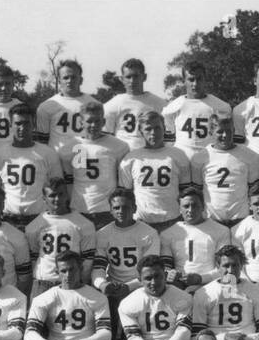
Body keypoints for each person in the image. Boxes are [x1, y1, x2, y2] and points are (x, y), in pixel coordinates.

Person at [10, 251, 111, 340]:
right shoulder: (44, 298)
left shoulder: (98, 297)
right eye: (63, 271)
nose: (68, 275)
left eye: (72, 270)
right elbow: (30, 334)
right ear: (57, 272)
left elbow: (106, 334)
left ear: (81, 269)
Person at [104, 255, 200, 340]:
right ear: (139, 279)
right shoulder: (128, 303)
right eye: (148, 278)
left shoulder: (183, 297)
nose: (153, 282)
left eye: (157, 276)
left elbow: (184, 333)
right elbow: (133, 338)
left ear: (165, 275)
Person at [91, 187, 160, 337]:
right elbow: (98, 267)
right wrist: (102, 284)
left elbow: (151, 271)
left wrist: (128, 287)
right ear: (110, 210)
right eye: (116, 208)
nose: (120, 211)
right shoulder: (103, 234)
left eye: (125, 207)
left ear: (134, 208)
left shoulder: (148, 233)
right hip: (113, 286)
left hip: (140, 286)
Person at [0, 102, 64, 230]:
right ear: (11, 125)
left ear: (33, 125)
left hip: (40, 219)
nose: (22, 128)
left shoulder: (48, 154)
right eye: (18, 123)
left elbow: (57, 190)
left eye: (26, 123)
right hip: (8, 219)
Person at [117, 110, 192, 234]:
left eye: (157, 128)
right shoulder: (131, 159)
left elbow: (185, 192)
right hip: (141, 222)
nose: (153, 133)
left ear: (164, 128)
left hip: (172, 221)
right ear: (141, 132)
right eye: (148, 129)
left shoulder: (178, 155)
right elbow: (125, 195)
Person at [190, 114, 259, 233]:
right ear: (211, 132)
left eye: (229, 131)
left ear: (234, 130)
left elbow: (253, 189)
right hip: (212, 219)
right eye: (220, 132)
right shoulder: (200, 158)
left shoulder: (250, 156)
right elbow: (198, 190)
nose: (225, 136)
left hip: (241, 218)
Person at [63, 100, 130, 229]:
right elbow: (68, 177)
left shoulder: (119, 146)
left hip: (107, 210)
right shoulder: (70, 147)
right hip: (79, 209)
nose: (93, 125)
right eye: (89, 121)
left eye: (97, 121)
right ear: (81, 122)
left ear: (104, 122)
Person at [25, 179, 96, 297]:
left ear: (67, 195)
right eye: (52, 195)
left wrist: (80, 282)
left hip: (71, 284)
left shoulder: (84, 224)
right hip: (43, 282)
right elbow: (34, 255)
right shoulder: (34, 226)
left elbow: (87, 260)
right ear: (44, 198)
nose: (57, 199)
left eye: (61, 194)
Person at [161, 187, 230, 291]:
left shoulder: (221, 231)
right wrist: (171, 274)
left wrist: (200, 279)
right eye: (186, 206)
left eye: (195, 205)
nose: (190, 210)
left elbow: (224, 268)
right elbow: (166, 267)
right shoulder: (168, 233)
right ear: (179, 209)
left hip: (210, 284)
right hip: (179, 285)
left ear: (203, 206)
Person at [35, 58, 100, 160]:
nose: (70, 81)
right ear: (59, 80)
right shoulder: (46, 106)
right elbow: (42, 142)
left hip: (86, 160)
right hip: (57, 161)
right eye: (66, 78)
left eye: (74, 77)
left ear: (81, 80)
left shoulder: (94, 104)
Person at [163, 60, 231, 158]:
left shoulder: (220, 106)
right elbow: (170, 132)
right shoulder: (174, 107)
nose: (195, 84)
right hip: (182, 156)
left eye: (199, 79)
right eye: (191, 79)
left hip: (209, 157)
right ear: (184, 81)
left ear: (205, 79)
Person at [103, 56, 168, 152]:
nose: (132, 81)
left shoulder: (160, 104)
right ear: (122, 79)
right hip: (124, 156)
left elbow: (168, 136)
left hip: (152, 156)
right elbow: (106, 137)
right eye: (128, 77)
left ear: (144, 77)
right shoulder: (113, 105)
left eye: (136, 76)